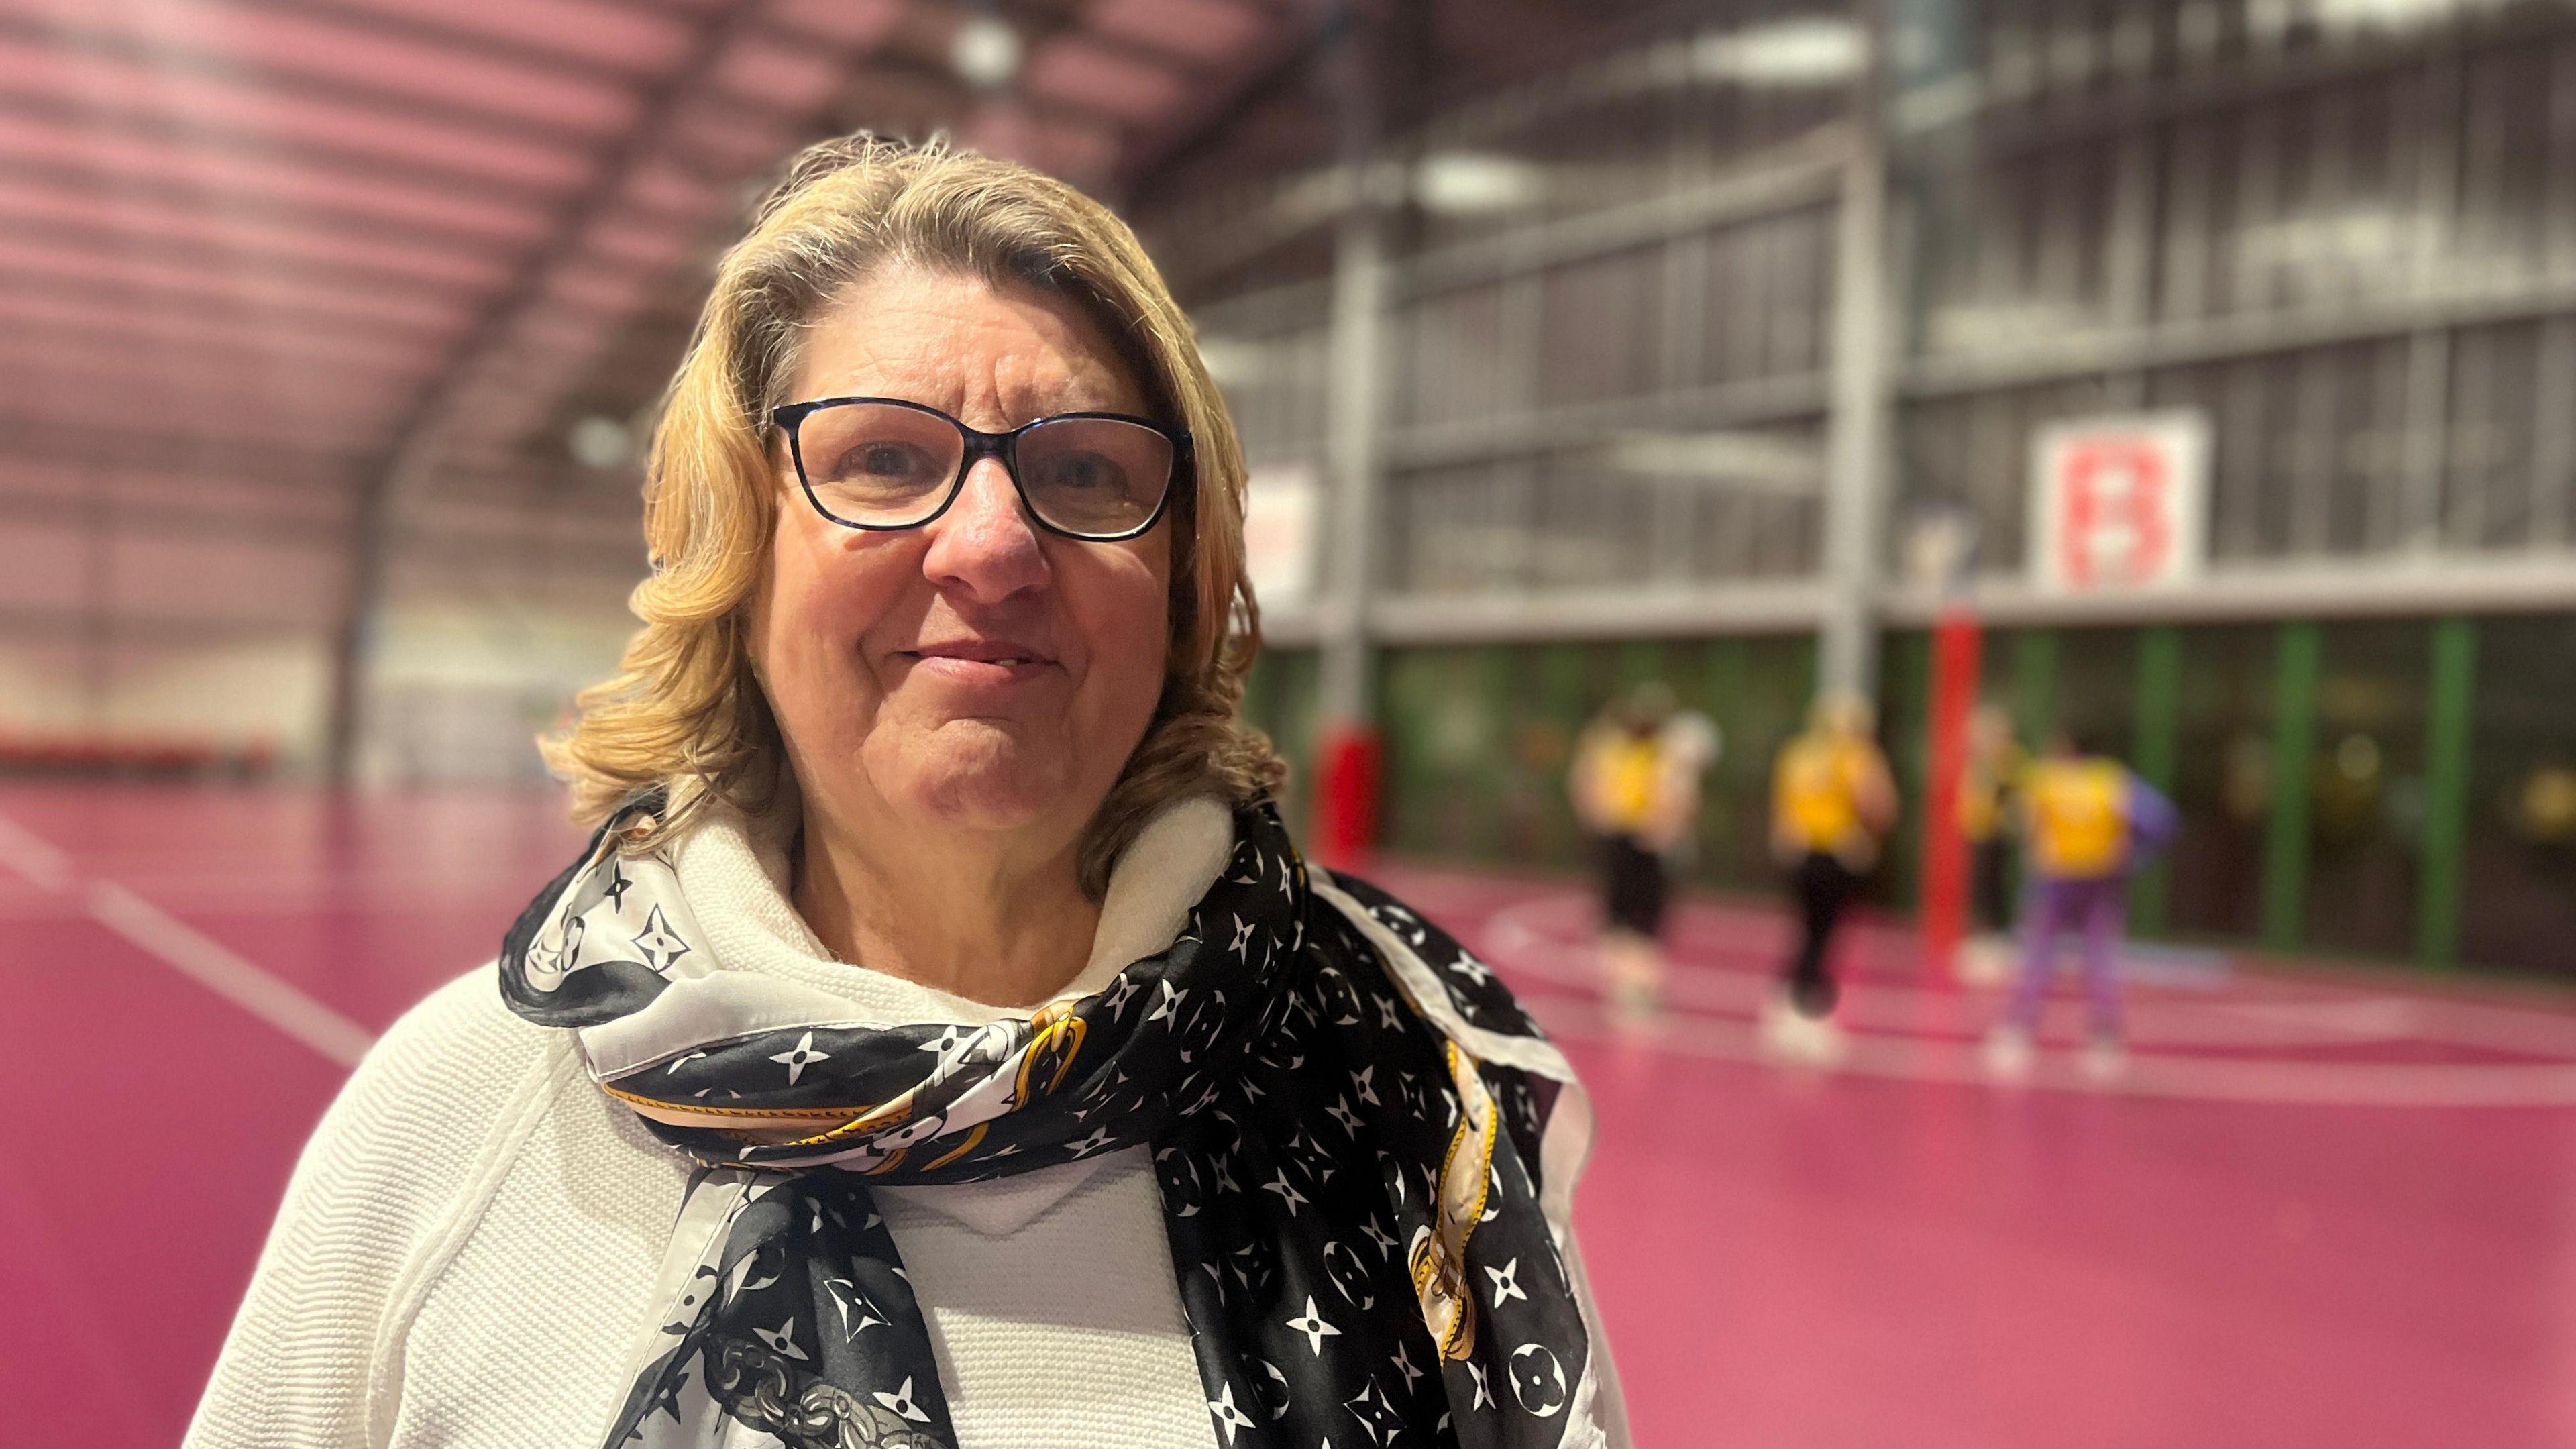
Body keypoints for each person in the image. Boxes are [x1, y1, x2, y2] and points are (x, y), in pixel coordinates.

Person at [188, 136, 1629, 1449]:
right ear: (739, 548)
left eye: (1082, 469)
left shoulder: (1418, 1094)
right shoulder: (460, 1120)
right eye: (883, 460)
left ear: (1182, 582)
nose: (992, 546)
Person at [1982, 731, 2179, 1083]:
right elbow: (2163, 820)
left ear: (2065, 750)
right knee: (2099, 955)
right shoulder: (2111, 780)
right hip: (2099, 876)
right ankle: (2104, 1040)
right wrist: (2131, 854)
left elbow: (2021, 818)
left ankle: (2018, 1031)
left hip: (2055, 878)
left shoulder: (2048, 779)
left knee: (2040, 954)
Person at [1568, 682, 1717, 1025]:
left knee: (1633, 918)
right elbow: (1671, 800)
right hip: (1638, 842)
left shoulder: (1636, 754)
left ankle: (1631, 987)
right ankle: (1630, 989)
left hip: (1633, 840)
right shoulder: (1640, 756)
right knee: (1638, 919)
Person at [1762, 692, 1896, 1063]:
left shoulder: (1798, 753)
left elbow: (1781, 807)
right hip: (1835, 853)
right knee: (1824, 934)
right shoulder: (1854, 756)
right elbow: (1880, 806)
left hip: (1799, 852)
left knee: (1806, 929)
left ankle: (1788, 1005)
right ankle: (1808, 1014)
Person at [1954, 703, 2025, 987]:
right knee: (1980, 885)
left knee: (1993, 886)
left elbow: (2014, 799)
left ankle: (1997, 940)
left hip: (1997, 834)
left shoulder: (2010, 764)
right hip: (1979, 831)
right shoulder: (1981, 763)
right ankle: (1986, 936)